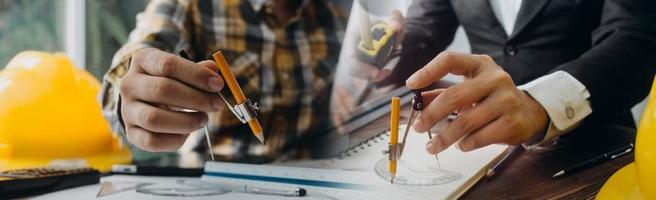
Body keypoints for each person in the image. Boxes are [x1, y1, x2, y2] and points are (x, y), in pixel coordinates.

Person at [373, 0, 656, 154]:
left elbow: (634, 40)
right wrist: (389, 45)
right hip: (481, 145)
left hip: (590, 147)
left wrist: (541, 103)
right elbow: (427, 26)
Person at [100, 0, 346, 162]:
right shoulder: (190, 5)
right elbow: (134, 62)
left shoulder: (338, 22)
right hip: (214, 185)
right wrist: (128, 98)